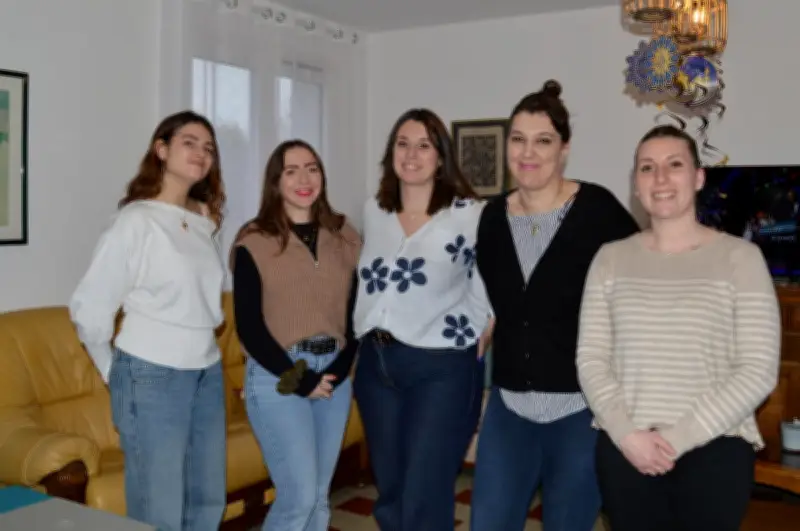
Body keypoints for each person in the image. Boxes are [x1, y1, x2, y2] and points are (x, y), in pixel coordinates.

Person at [577, 125, 781, 531]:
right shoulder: (609, 259)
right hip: (628, 448)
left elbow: (758, 370)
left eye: (674, 165)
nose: (661, 178)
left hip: (716, 449)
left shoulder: (741, 258)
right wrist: (627, 434)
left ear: (698, 177)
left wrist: (677, 438)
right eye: (647, 168)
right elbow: (591, 359)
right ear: (636, 184)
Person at [470, 80, 640, 531]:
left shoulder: (597, 209)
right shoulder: (491, 217)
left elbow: (639, 282)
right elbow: (490, 291)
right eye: (519, 139)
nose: (529, 152)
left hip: (580, 410)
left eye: (543, 141)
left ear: (564, 149)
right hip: (509, 408)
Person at [69, 110, 227, 531]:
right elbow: (89, 307)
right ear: (161, 149)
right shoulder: (136, 220)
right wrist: (116, 374)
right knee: (159, 509)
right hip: (152, 374)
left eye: (208, 148)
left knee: (207, 500)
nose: (201, 153)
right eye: (189, 143)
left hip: (207, 372)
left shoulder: (204, 221)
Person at [352, 108, 493, 531]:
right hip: (376, 364)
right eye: (403, 144)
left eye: (424, 145)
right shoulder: (374, 211)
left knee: (424, 490)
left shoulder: (471, 214)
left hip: (440, 366)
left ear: (441, 157)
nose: (411, 155)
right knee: (391, 490)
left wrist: (485, 329)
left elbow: (492, 280)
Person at [230, 139, 361, 531]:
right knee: (298, 498)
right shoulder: (254, 239)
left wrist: (338, 370)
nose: (304, 179)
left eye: (312, 168)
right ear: (276, 181)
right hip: (278, 376)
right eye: (291, 171)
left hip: (334, 375)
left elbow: (357, 314)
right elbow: (249, 326)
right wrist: (299, 379)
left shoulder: (344, 234)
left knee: (318, 500)